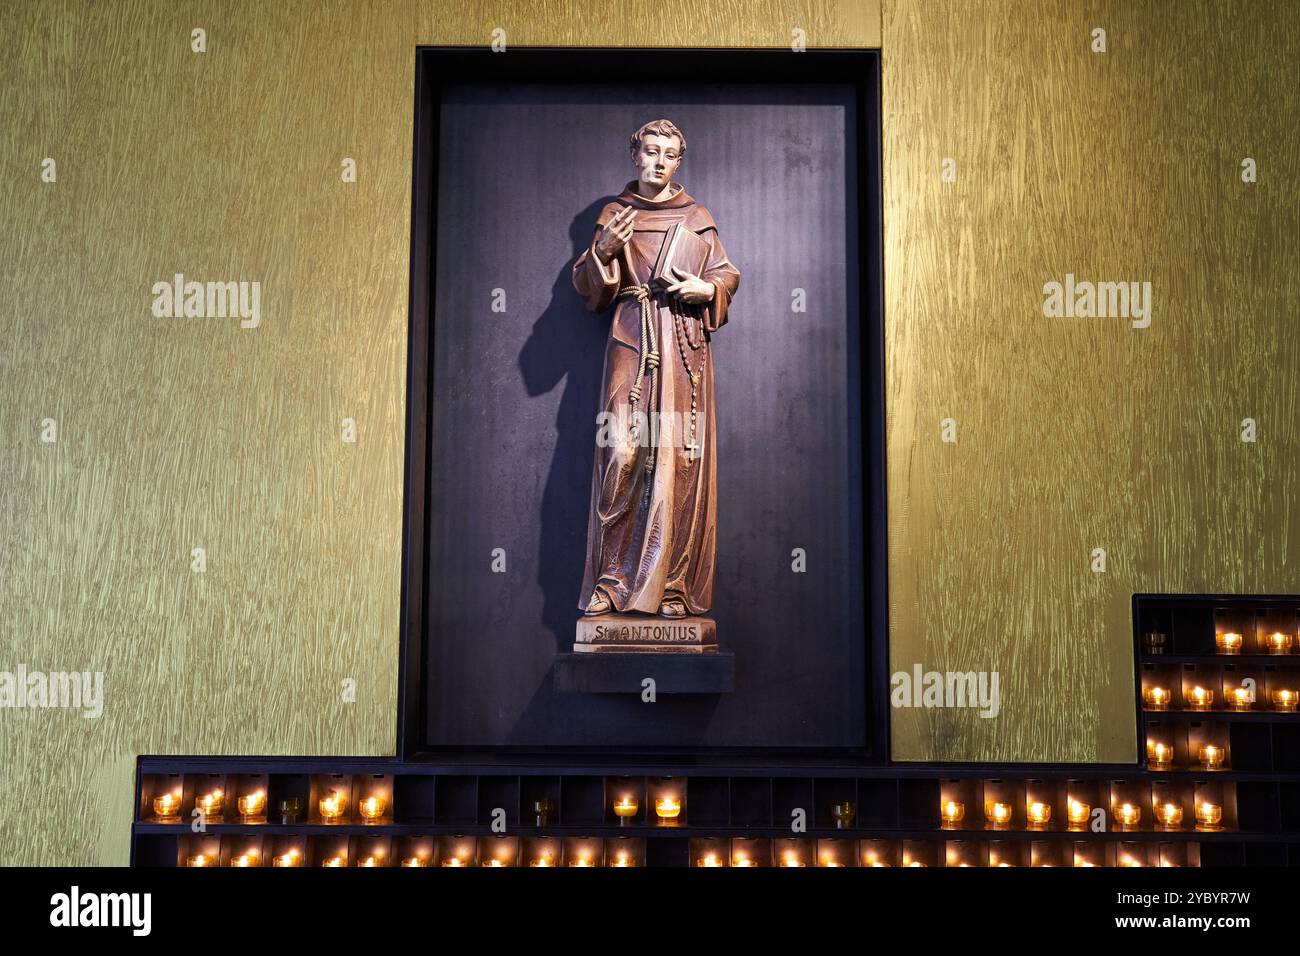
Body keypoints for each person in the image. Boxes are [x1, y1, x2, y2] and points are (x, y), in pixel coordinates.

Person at [572, 119, 740, 620]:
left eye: (670, 153)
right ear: (635, 155)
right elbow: (590, 290)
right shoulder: (615, 214)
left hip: (682, 342)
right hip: (632, 333)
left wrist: (707, 290)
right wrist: (601, 253)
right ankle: (612, 582)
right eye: (652, 151)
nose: (660, 161)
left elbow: (724, 272)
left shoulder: (696, 216)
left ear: (678, 160)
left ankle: (670, 584)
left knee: (675, 458)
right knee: (622, 451)